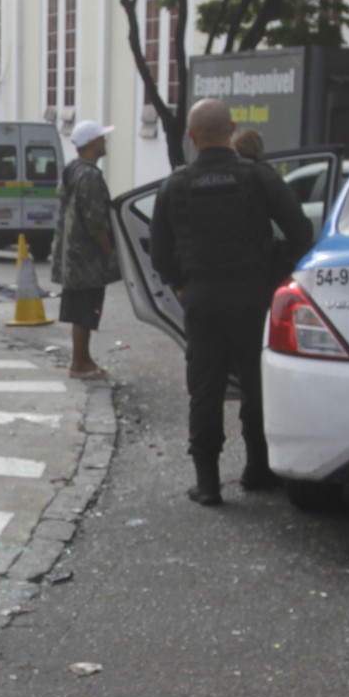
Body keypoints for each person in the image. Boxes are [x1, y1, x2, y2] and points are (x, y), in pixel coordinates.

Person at [149, 98, 313, 506]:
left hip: (202, 299)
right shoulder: (258, 178)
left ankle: (207, 484)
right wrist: (280, 278)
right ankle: (258, 469)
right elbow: (300, 230)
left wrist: (182, 286)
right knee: (257, 386)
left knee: (205, 389)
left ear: (191, 136)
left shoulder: (174, 185)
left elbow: (158, 254)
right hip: (253, 295)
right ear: (232, 129)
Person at [53, 119, 121, 381]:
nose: (105, 142)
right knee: (85, 310)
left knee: (80, 308)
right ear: (91, 143)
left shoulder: (72, 170)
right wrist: (109, 252)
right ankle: (80, 363)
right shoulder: (90, 176)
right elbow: (96, 221)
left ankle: (83, 359)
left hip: (73, 254)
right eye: (101, 138)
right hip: (87, 258)